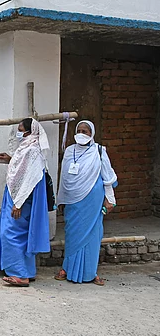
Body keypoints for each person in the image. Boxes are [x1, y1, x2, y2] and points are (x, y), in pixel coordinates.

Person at [55, 120, 117, 286]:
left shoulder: (99, 151)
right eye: (79, 130)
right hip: (72, 201)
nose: (82, 134)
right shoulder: (69, 151)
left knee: (92, 235)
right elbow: (64, 178)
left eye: (86, 131)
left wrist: (110, 199)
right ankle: (67, 268)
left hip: (92, 199)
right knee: (72, 233)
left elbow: (108, 177)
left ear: (92, 134)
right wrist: (61, 198)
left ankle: (91, 272)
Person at [0, 118, 51, 287]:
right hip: (19, 196)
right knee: (24, 234)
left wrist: (18, 202)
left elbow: (30, 178)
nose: (19, 133)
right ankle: (28, 272)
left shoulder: (32, 150)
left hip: (21, 199)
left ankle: (19, 274)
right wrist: (11, 159)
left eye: (20, 130)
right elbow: (23, 169)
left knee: (11, 233)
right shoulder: (27, 148)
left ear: (29, 132)